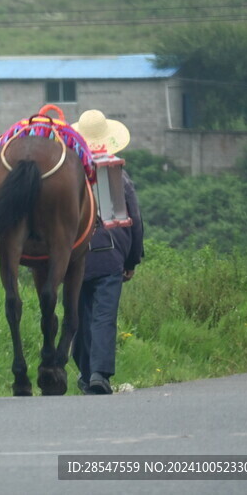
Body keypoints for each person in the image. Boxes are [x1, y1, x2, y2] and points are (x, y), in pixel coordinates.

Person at [70, 109, 144, 395]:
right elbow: (134, 221)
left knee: (79, 316)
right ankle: (99, 374)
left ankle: (85, 373)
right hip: (111, 256)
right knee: (103, 315)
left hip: (76, 256)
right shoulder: (119, 177)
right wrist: (132, 259)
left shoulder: (71, 175)